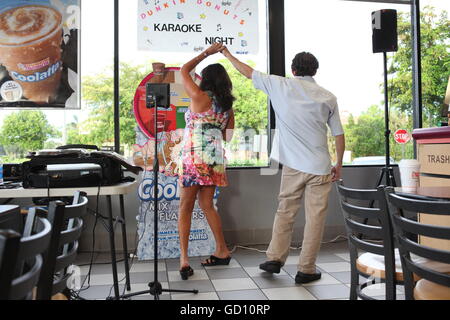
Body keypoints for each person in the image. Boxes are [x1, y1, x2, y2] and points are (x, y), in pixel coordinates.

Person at [221, 46, 345, 284]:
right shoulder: (328, 96)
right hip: (320, 166)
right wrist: (338, 164)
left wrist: (227, 54)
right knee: (315, 219)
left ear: (293, 69)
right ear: (315, 71)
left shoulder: (280, 85)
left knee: (285, 212)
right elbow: (338, 134)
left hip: (293, 165)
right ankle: (306, 269)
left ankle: (275, 258)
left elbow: (247, 72)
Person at [178, 43, 235, 280]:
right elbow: (228, 137)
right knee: (208, 205)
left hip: (194, 158)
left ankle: (183, 260)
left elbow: (184, 70)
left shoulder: (199, 96)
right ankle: (222, 250)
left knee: (185, 207)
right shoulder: (228, 107)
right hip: (214, 159)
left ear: (206, 81)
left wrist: (205, 53)